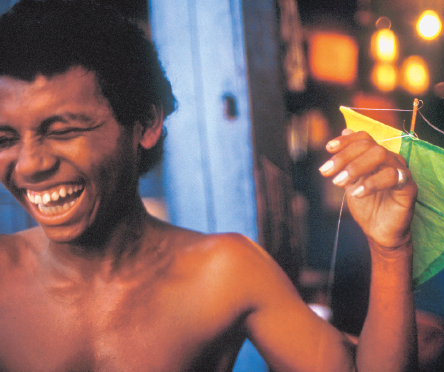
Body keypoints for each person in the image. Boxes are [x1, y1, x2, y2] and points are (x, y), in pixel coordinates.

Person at [0, 0, 418, 371]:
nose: (30, 165)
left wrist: (390, 249)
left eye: (64, 131)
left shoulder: (225, 273)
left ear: (146, 123)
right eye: (5, 139)